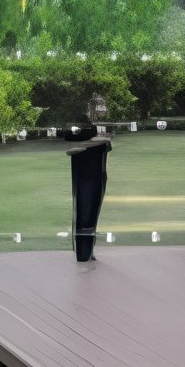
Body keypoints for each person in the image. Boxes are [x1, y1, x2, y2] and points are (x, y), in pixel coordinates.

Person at [66, 96, 113, 263]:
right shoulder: (80, 124)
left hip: (99, 172)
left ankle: (89, 249)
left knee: (93, 210)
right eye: (100, 106)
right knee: (84, 211)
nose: (103, 110)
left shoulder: (100, 126)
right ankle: (83, 252)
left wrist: (102, 139)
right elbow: (70, 148)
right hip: (85, 175)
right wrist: (96, 141)